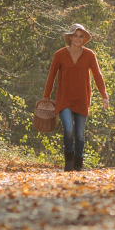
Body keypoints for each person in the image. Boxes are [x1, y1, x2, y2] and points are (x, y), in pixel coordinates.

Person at [43, 23, 109, 171]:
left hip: (82, 99)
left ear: (84, 38)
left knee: (79, 134)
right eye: (75, 36)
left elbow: (98, 76)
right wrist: (46, 96)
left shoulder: (89, 55)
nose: (78, 39)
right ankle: (68, 162)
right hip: (64, 99)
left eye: (81, 36)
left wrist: (104, 95)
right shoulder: (59, 55)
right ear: (70, 37)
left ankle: (78, 163)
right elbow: (51, 76)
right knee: (68, 129)